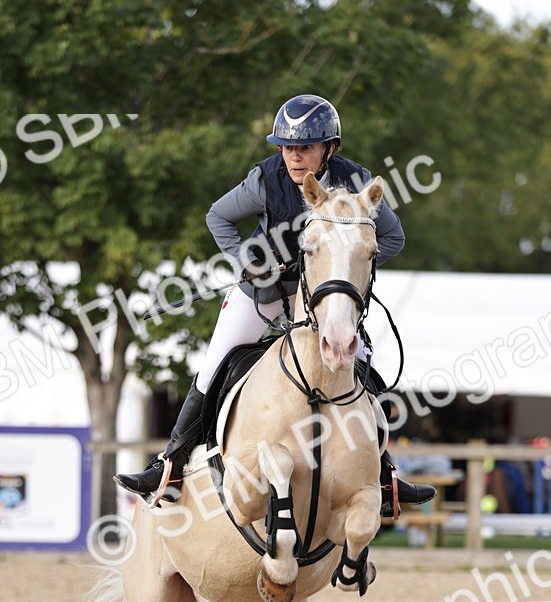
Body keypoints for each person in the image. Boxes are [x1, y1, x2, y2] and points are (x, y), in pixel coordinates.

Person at [115, 93, 436, 515]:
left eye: (304, 147)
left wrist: (345, 270)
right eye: (286, 147)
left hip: (323, 300)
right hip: (265, 292)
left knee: (363, 369)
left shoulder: (358, 183)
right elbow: (218, 217)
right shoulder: (265, 179)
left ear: (329, 148)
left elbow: (392, 238)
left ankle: (383, 473)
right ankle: (171, 464)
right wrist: (250, 259)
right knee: (214, 363)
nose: (294, 156)